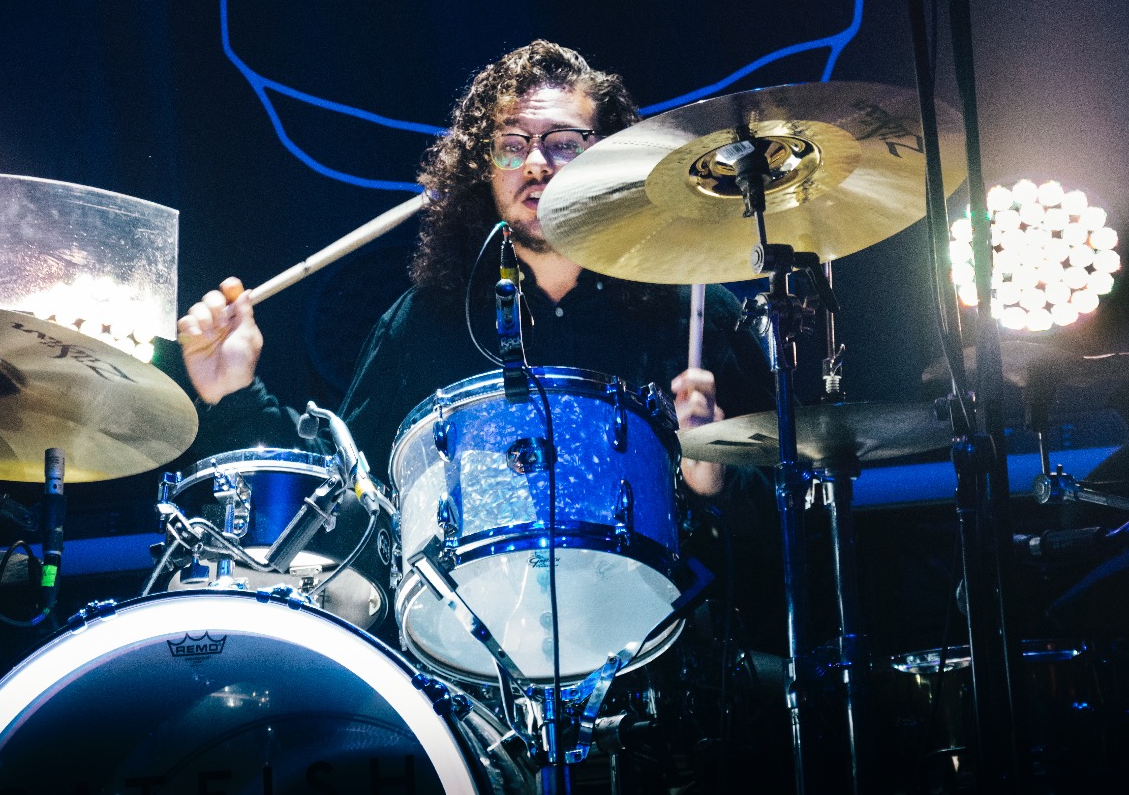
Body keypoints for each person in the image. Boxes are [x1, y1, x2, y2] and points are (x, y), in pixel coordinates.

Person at [178, 40, 786, 784]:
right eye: (512, 144)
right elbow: (346, 505)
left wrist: (715, 482)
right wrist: (234, 394)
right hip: (480, 697)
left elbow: (796, 517)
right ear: (482, 167)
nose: (537, 163)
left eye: (564, 143)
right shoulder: (426, 325)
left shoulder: (691, 312)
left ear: (607, 156)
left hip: (674, 691)